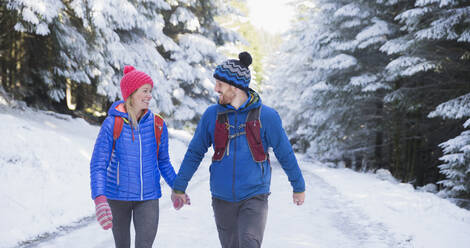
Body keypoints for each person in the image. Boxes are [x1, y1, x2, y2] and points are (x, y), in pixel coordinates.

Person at [171, 52, 306, 248]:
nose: (216, 89)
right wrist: (179, 186)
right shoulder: (212, 115)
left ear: (234, 86)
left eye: (220, 84)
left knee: (250, 244)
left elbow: (285, 153)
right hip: (221, 197)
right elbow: (195, 152)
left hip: (255, 195)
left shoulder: (266, 116)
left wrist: (298, 186)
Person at [89, 65, 185, 248]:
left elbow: (163, 161)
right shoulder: (112, 123)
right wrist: (99, 199)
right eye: (145, 91)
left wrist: (177, 187)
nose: (149, 95)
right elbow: (98, 164)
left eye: (150, 91)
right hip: (117, 198)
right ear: (131, 93)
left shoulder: (157, 124)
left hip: (148, 197)